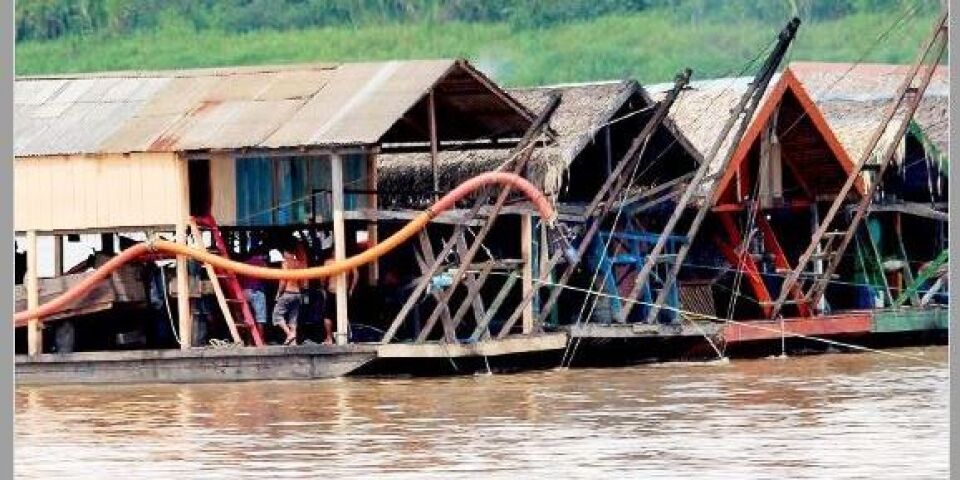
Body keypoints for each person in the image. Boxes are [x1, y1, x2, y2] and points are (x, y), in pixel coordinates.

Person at [322, 257, 358, 344]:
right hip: (340, 291)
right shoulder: (348, 261)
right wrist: (351, 289)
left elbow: (322, 277)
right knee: (341, 315)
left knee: (328, 316)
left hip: (333, 290)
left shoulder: (329, 262)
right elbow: (356, 275)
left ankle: (330, 338)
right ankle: (335, 337)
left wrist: (323, 288)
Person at [273, 247, 304, 345]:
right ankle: (293, 342)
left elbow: (283, 281)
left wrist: (278, 294)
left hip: (288, 292)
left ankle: (289, 334)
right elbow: (303, 282)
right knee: (293, 318)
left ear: (286, 253)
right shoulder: (298, 264)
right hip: (297, 294)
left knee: (277, 316)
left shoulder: (285, 263)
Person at [239, 246, 269, 327]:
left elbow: (240, 279)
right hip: (257, 291)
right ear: (262, 255)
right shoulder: (262, 263)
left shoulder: (244, 264)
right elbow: (266, 277)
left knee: (247, 318)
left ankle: (248, 339)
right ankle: (260, 339)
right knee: (260, 319)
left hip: (245, 292)